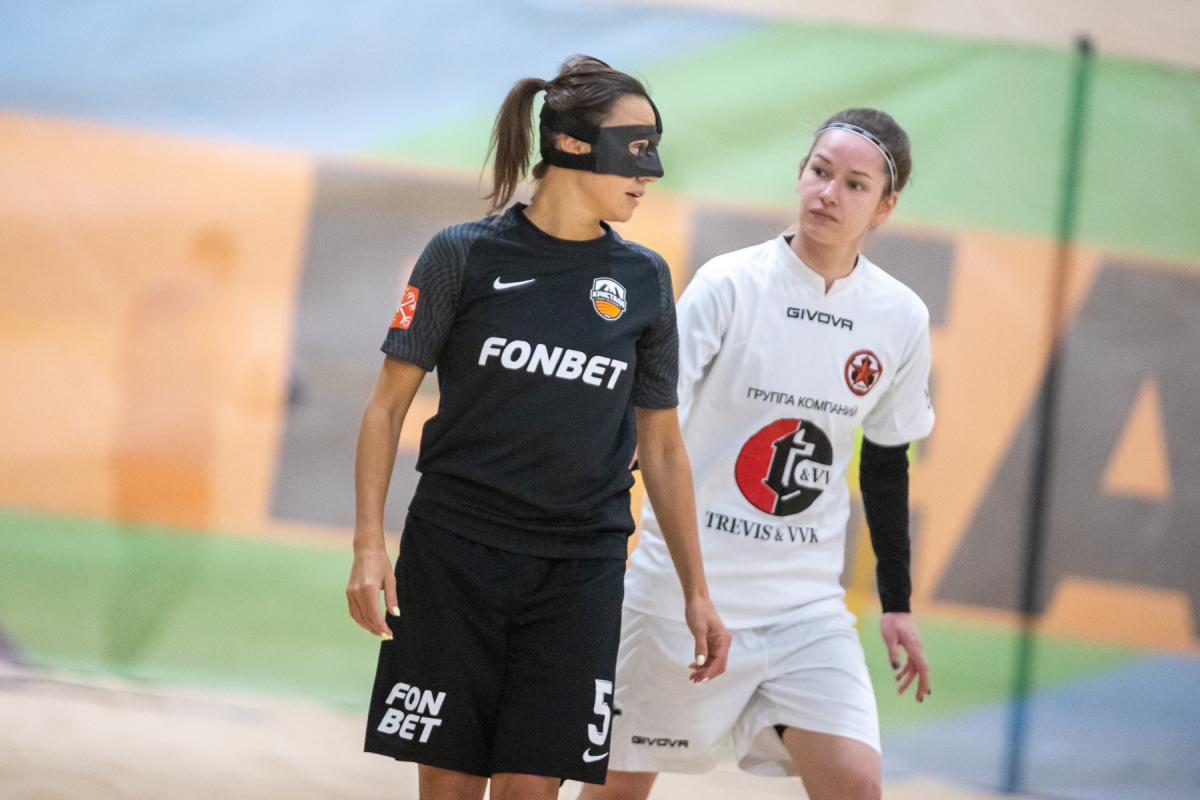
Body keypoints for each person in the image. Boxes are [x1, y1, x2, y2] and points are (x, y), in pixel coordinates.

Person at [345, 55, 730, 800]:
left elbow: (661, 446)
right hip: (454, 555)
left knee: (530, 788)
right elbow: (385, 406)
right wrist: (367, 545)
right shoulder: (462, 254)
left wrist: (697, 592)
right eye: (637, 147)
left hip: (579, 569)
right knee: (451, 787)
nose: (650, 171)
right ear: (573, 145)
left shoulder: (645, 279)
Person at [581, 108, 935, 800]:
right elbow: (646, 430)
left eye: (855, 185)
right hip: (684, 596)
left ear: (885, 207)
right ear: (800, 175)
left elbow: (887, 460)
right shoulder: (729, 285)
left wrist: (897, 602)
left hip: (806, 609)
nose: (828, 193)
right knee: (616, 790)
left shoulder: (900, 317)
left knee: (856, 785)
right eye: (820, 172)